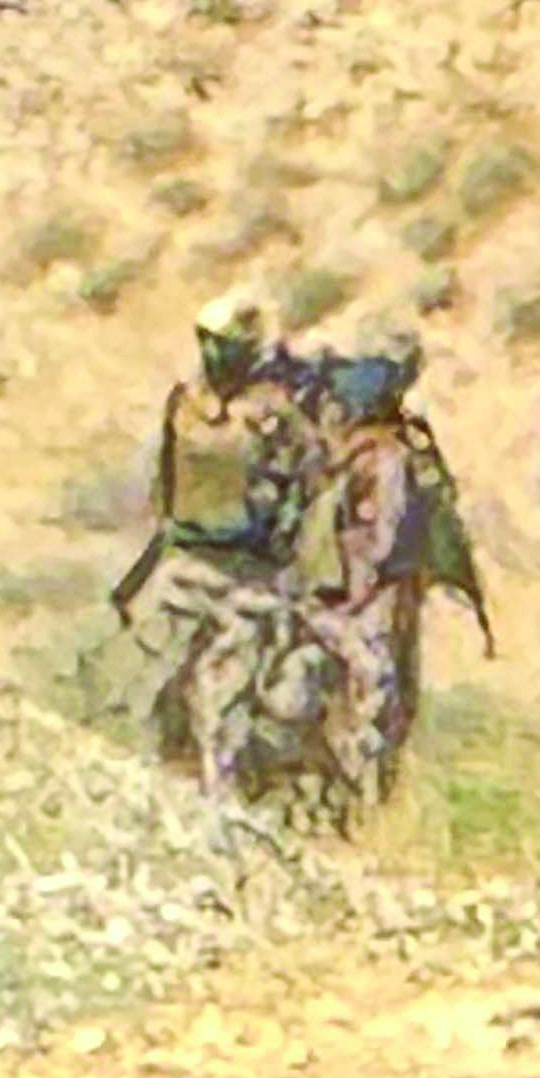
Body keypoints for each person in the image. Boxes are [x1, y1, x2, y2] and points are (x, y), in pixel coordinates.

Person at [118, 285, 320, 795]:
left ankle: (223, 808)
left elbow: (306, 485)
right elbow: (165, 486)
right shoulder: (183, 403)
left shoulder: (277, 414)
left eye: (224, 343)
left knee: (225, 705)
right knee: (151, 691)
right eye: (205, 340)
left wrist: (283, 551)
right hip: (183, 566)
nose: (212, 353)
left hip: (245, 578)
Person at [296, 315, 485, 815]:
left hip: (369, 595)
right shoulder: (372, 452)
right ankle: (351, 807)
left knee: (374, 704)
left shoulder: (380, 449)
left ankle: (358, 810)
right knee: (367, 702)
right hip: (362, 597)